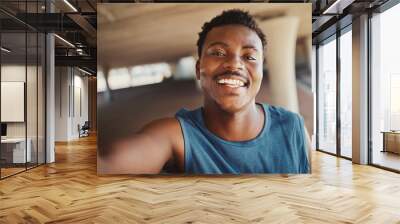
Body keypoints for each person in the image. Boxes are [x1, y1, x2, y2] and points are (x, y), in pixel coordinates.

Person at [100, 9, 310, 174]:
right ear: (198, 69)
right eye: (218, 52)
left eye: (249, 56)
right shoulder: (176, 137)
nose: (234, 64)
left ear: (261, 72)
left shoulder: (294, 129)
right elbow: (108, 164)